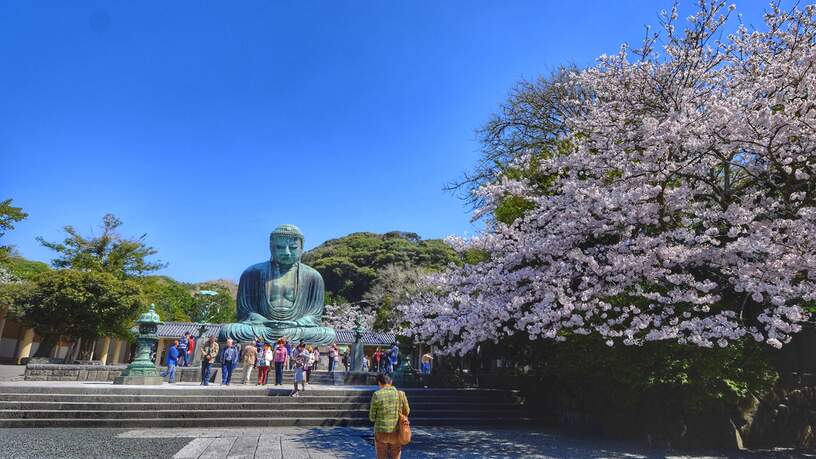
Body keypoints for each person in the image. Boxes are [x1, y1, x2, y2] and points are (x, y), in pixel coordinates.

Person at [369, 373, 410, 459]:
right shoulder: (401, 394)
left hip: (381, 433)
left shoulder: (377, 394)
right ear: (391, 382)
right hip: (396, 432)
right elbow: (407, 412)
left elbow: (372, 417)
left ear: (379, 383)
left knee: (381, 456)